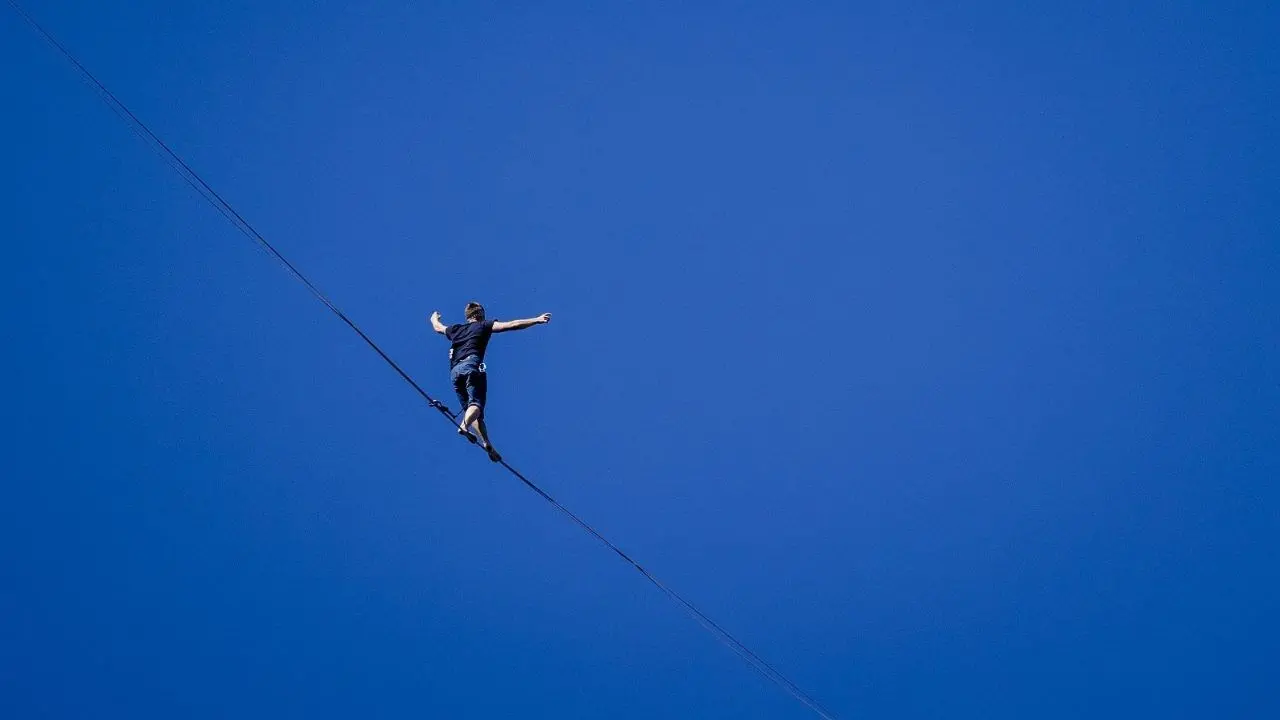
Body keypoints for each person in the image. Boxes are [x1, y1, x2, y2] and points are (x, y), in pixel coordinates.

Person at [430, 302, 551, 462]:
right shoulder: (484, 325)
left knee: (472, 411)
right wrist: (536, 319)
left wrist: (433, 318)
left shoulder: (456, 329)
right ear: (481, 315)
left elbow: (438, 328)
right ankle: (464, 426)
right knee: (476, 405)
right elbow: (512, 325)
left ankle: (487, 444)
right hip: (471, 365)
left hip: (454, 373)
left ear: (468, 316)